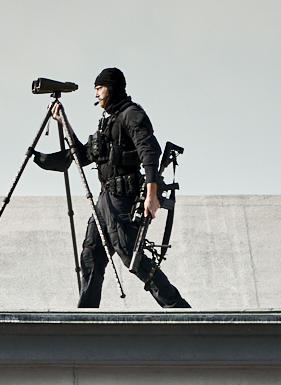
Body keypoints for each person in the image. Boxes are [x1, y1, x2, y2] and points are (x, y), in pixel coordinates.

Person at [34, 67, 191, 309]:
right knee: (91, 254)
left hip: (122, 198)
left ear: (112, 88)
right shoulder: (109, 123)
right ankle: (85, 314)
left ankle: (176, 307)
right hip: (105, 198)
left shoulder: (131, 115)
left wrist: (151, 195)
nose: (96, 94)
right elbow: (84, 155)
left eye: (99, 88)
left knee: (130, 253)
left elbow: (149, 153)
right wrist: (63, 123)